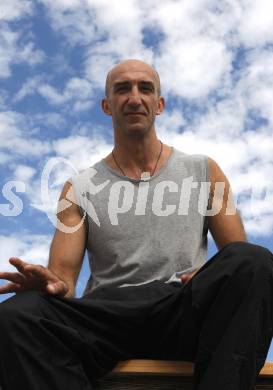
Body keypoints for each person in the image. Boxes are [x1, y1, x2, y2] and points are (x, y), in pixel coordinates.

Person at [0, 59, 272, 390]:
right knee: (16, 315)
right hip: (109, 313)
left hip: (180, 305)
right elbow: (64, 282)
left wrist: (210, 273)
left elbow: (237, 257)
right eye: (122, 89)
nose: (134, 98)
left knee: (255, 261)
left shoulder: (203, 170)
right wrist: (47, 287)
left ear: (159, 104)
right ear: (106, 105)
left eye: (145, 89)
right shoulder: (79, 187)